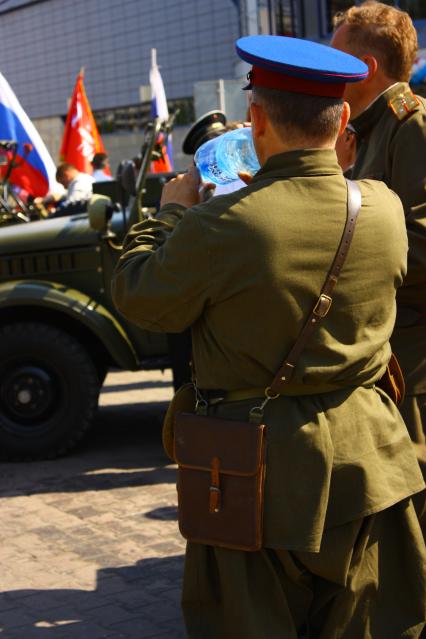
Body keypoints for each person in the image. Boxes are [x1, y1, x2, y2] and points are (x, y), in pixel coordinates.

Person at [112, 34, 426, 637]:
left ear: (255, 119)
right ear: (342, 123)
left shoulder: (219, 224)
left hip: (252, 479)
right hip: (372, 466)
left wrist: (171, 210)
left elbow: (138, 294)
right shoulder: (384, 208)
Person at [331, 1, 426, 475]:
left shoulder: (411, 125)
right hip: (387, 347)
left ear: (365, 67)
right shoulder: (366, 134)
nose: (328, 71)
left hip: (414, 355)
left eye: (336, 58)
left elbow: (422, 246)